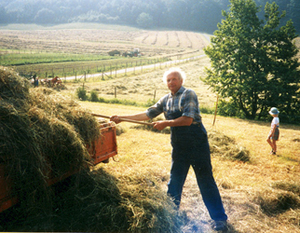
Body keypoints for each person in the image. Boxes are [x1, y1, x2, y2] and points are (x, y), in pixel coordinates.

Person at [110, 68, 228, 231]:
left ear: (181, 81)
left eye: (174, 79)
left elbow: (187, 120)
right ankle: (170, 216)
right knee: (175, 181)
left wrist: (166, 123)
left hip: (196, 143)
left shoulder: (189, 94)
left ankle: (220, 219)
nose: (171, 82)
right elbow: (147, 114)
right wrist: (122, 118)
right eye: (168, 80)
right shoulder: (165, 99)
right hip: (179, 144)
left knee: (205, 180)